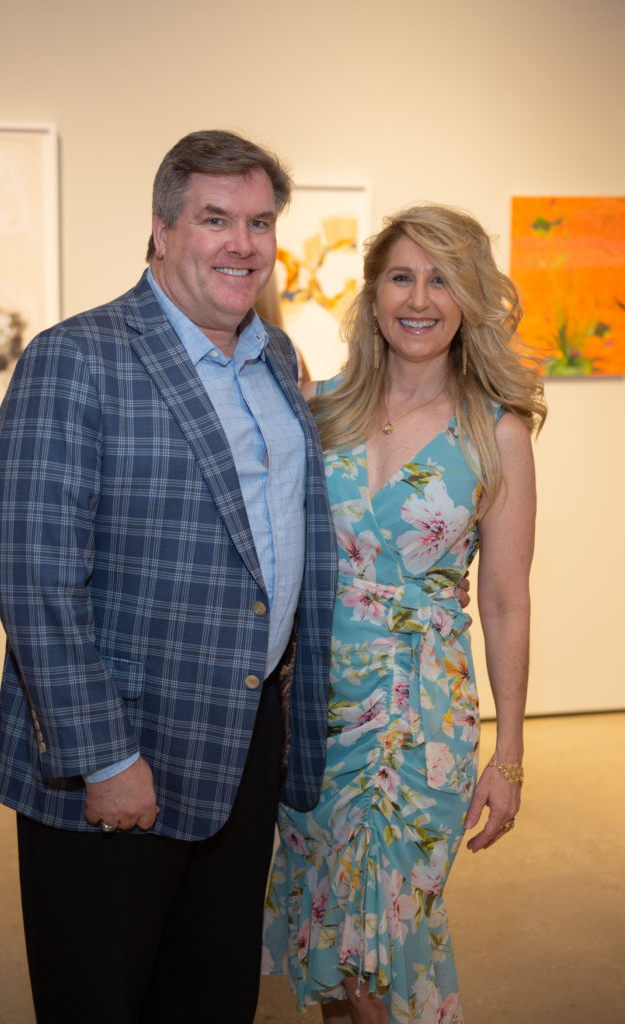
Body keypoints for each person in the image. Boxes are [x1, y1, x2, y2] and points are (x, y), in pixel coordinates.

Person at [0, 129, 339, 1024]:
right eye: (215, 218)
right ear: (161, 230)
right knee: (102, 996)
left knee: (213, 993)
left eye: (260, 222)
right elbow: (35, 577)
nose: (242, 243)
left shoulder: (277, 366)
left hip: (246, 738)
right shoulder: (77, 358)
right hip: (122, 752)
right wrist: (104, 756)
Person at [262, 203, 547, 1023]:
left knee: (382, 951)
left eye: (442, 279)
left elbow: (505, 598)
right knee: (327, 940)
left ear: (470, 297)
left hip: (422, 722)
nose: (419, 298)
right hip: (315, 712)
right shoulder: (321, 412)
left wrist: (512, 753)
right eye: (401, 276)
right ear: (374, 293)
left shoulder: (496, 431)